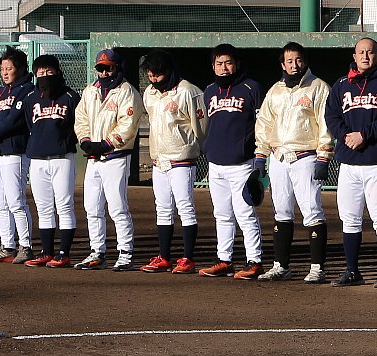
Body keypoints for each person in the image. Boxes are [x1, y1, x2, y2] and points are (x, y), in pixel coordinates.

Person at [324, 37, 377, 288]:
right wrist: (345, 136)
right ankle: (352, 270)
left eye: (370, 52)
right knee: (349, 218)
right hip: (349, 162)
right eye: (361, 52)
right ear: (354, 55)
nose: (365, 56)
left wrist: (364, 135)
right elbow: (332, 115)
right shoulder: (340, 85)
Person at [255, 42, 334, 283]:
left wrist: (324, 155)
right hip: (278, 157)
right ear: (282, 64)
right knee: (282, 212)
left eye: (298, 60)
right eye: (289, 61)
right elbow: (265, 123)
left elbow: (326, 123)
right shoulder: (275, 91)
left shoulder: (318, 87)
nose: (294, 65)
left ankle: (317, 268)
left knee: (312, 212)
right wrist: (261, 154)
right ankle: (281, 265)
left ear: (305, 61)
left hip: (306, 156)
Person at [199, 43, 267, 280]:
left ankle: (254, 261)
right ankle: (224, 259)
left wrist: (260, 157)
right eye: (219, 64)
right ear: (213, 66)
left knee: (245, 213)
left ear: (236, 64)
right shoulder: (209, 91)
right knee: (222, 214)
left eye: (228, 63)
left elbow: (262, 125)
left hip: (242, 163)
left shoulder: (251, 88)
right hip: (216, 164)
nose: (224, 68)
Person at [73, 48, 144, 271]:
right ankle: (97, 251)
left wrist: (105, 143)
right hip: (94, 158)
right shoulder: (90, 91)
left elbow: (128, 125)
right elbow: (80, 117)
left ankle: (125, 252)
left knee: (117, 207)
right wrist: (85, 140)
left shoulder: (127, 92)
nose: (104, 72)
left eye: (108, 67)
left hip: (115, 156)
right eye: (100, 68)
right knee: (91, 207)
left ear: (117, 67)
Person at [140, 49, 207, 274]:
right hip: (159, 160)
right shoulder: (149, 93)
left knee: (185, 207)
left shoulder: (188, 91)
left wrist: (191, 148)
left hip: (182, 159)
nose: (154, 78)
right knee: (163, 209)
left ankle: (187, 258)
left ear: (169, 71)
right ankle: (164, 257)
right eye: (150, 74)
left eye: (157, 74)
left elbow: (201, 128)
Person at [23, 53, 82, 267]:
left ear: (58, 72)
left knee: (64, 205)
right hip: (37, 158)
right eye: (40, 73)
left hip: (62, 157)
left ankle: (64, 253)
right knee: (43, 207)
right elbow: (31, 125)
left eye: (49, 72)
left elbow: (77, 125)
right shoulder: (31, 98)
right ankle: (46, 252)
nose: (45, 76)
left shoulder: (71, 96)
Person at [0, 47, 36, 264]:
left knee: (15, 201)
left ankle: (26, 245)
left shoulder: (27, 91)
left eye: (9, 68)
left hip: (14, 152)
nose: (4, 72)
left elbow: (14, 120)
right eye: (2, 68)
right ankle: (7, 245)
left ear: (20, 69)